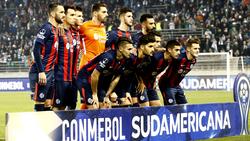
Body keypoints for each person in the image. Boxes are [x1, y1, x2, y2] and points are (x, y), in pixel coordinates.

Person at [76, 37, 134, 109]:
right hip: (85, 78)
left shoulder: (125, 59)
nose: (131, 52)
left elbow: (116, 78)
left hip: (98, 81)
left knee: (106, 106)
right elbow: (95, 75)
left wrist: (107, 95)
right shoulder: (108, 57)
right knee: (94, 107)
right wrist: (94, 94)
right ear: (120, 48)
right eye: (129, 49)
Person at [29, 3, 65, 111]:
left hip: (51, 72)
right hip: (42, 72)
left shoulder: (55, 29)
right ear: (53, 14)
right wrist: (41, 71)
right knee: (40, 104)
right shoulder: (46, 28)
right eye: (61, 12)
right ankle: (37, 128)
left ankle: (47, 128)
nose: (64, 15)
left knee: (48, 104)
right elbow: (36, 49)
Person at [137, 39, 181, 106]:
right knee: (145, 107)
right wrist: (141, 82)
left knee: (157, 106)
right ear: (169, 50)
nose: (179, 52)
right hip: (140, 84)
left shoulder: (170, 60)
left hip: (150, 84)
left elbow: (154, 71)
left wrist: (154, 79)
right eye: (176, 50)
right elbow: (139, 68)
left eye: (179, 50)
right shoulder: (156, 58)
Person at [105, 7, 134, 106]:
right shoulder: (113, 34)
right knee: (111, 108)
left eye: (132, 16)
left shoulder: (129, 35)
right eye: (129, 16)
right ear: (122, 18)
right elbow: (104, 54)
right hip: (113, 78)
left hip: (124, 79)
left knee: (126, 107)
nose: (132, 18)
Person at [158, 38, 200, 105]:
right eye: (195, 48)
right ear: (188, 49)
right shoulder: (178, 58)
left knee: (185, 107)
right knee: (171, 109)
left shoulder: (193, 61)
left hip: (177, 85)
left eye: (198, 48)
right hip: (166, 85)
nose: (198, 50)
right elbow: (167, 55)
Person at [53, 5, 75, 110]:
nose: (74, 17)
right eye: (71, 15)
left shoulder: (70, 33)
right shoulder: (58, 31)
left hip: (70, 78)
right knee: (57, 108)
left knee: (66, 108)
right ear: (64, 17)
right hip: (60, 77)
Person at [78, 2, 108, 69]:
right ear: (95, 13)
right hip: (86, 66)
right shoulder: (84, 26)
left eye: (106, 12)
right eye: (104, 12)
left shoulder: (103, 28)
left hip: (98, 68)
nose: (107, 14)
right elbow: (72, 34)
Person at [69, 6, 84, 110]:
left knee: (76, 103)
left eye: (81, 16)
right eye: (78, 16)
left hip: (79, 75)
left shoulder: (82, 32)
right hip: (65, 76)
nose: (81, 18)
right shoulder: (64, 32)